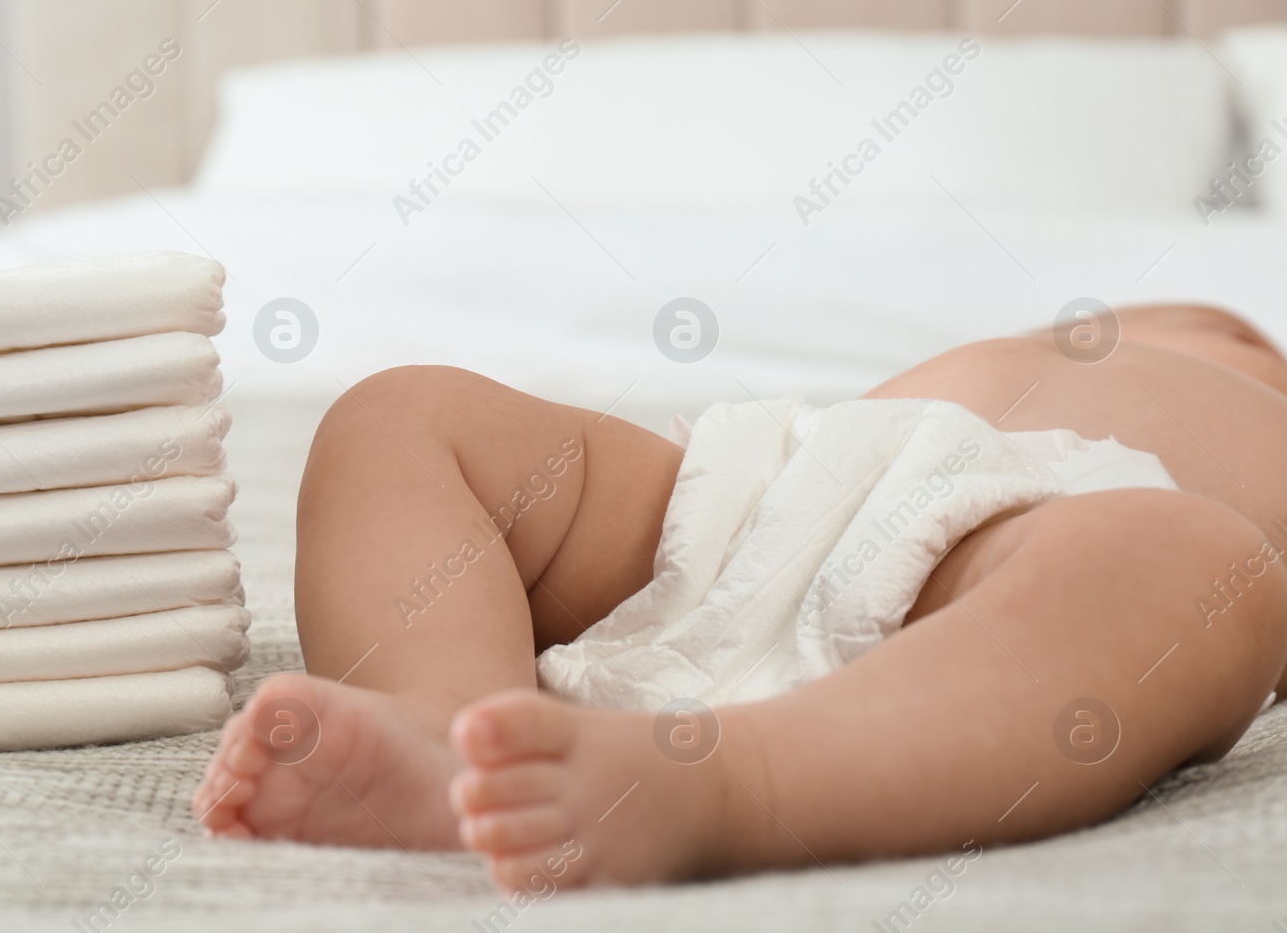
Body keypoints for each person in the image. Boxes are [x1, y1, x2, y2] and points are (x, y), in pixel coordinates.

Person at [192, 305, 1287, 890]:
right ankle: (441, 729)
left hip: (1038, 532)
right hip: (782, 485)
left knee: (1192, 558)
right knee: (403, 411)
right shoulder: (1162, 335)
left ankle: (728, 781)